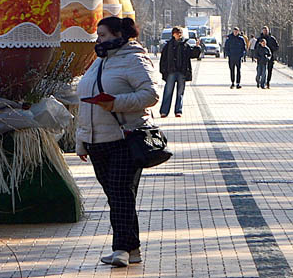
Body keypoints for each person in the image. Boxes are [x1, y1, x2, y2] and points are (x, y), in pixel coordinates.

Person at [76, 16, 158, 268]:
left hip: (125, 138)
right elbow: (84, 101)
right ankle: (131, 248)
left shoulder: (134, 59)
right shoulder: (99, 62)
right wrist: (81, 140)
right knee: (115, 195)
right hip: (96, 141)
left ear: (118, 35)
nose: (98, 40)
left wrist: (116, 103)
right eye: (97, 35)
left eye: (103, 35)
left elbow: (151, 94)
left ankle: (121, 248)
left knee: (121, 193)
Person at [158, 27, 201, 117]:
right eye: (177, 33)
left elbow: (193, 54)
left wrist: (197, 47)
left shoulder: (185, 45)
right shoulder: (168, 45)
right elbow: (163, 59)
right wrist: (163, 71)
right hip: (171, 72)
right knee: (168, 92)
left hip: (182, 72)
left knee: (180, 93)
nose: (179, 35)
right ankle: (164, 111)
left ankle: (178, 111)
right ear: (173, 34)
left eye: (180, 33)